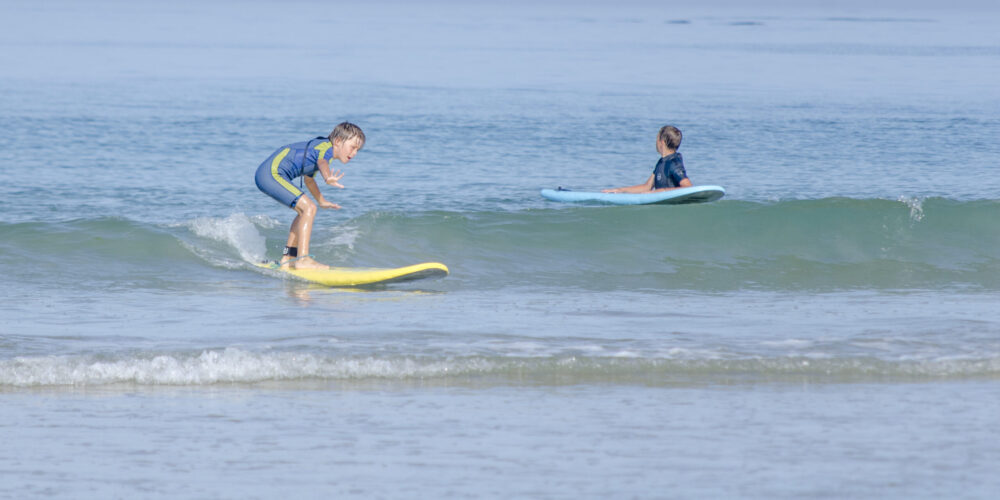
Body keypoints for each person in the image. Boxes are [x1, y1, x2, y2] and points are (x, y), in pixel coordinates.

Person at [254, 122, 365, 270]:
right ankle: (304, 259)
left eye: (358, 149)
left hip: (268, 174)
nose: (355, 153)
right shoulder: (325, 148)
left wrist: (321, 200)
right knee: (309, 208)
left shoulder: (317, 150)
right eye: (353, 147)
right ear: (338, 141)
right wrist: (327, 177)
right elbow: (322, 162)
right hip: (271, 174)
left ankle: (289, 258)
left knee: (304, 211)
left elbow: (309, 179)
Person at [602, 125, 692, 193]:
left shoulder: (674, 163)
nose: (655, 142)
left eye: (657, 139)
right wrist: (620, 190)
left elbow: (688, 187)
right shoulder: (662, 162)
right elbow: (647, 186)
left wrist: (660, 191)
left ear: (662, 142)